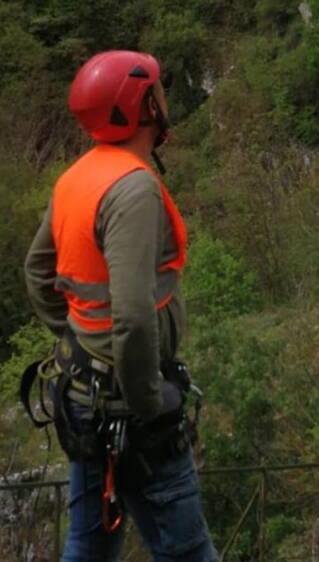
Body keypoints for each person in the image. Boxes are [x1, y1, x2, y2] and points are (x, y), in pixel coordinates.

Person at [24, 50, 218, 561]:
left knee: (88, 545)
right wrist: (150, 403)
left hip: (83, 394)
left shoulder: (77, 177)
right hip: (127, 410)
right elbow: (133, 318)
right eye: (157, 89)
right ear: (143, 105)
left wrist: (79, 338)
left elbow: (37, 272)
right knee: (188, 550)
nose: (164, 96)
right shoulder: (133, 190)